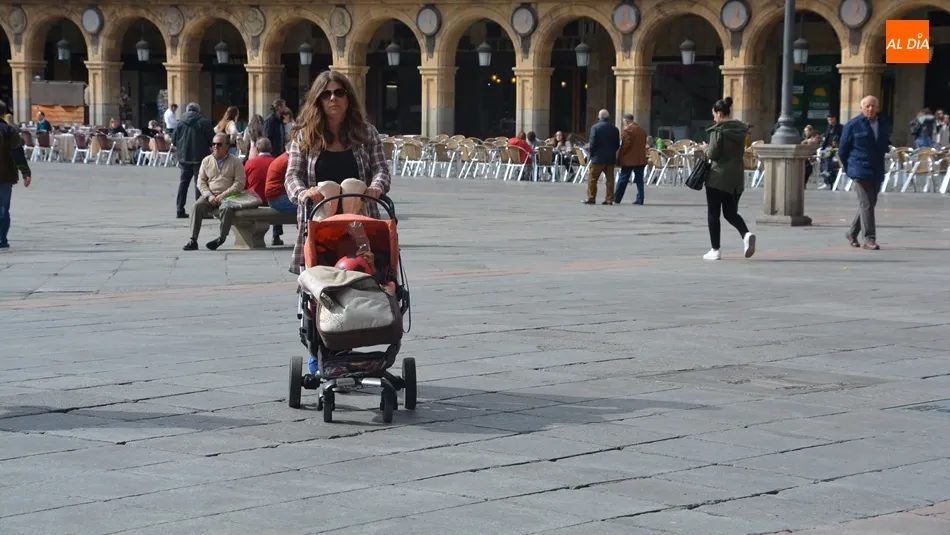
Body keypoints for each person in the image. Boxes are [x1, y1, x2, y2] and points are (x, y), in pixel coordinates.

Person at [283, 70, 392, 378]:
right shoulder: (304, 135)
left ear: (348, 97)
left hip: (358, 221)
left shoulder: (365, 132)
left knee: (353, 184)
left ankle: (361, 340)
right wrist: (303, 192)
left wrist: (377, 187)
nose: (333, 98)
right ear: (317, 99)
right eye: (327, 93)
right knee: (328, 188)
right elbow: (291, 177)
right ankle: (319, 350)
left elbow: (381, 170)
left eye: (339, 92)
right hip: (320, 224)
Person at [702, 96, 755, 261]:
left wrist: (705, 148)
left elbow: (713, 154)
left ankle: (715, 249)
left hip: (718, 177)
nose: (713, 118)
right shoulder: (740, 129)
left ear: (719, 113)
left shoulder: (718, 131)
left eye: (714, 114)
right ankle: (746, 234)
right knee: (730, 212)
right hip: (736, 177)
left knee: (713, 213)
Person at [839, 95, 890, 251]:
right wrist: (850, 169)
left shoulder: (883, 124)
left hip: (877, 168)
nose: (870, 109)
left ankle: (852, 232)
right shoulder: (852, 125)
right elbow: (842, 150)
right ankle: (869, 238)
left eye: (873, 106)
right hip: (860, 168)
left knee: (869, 204)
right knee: (867, 204)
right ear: (861, 108)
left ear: (877, 108)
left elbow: (884, 144)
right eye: (867, 106)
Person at [182, 133, 247, 251]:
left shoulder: (235, 161)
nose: (215, 146)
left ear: (227, 146)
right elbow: (201, 182)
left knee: (227, 209)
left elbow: (239, 183)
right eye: (213, 144)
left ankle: (221, 238)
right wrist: (209, 196)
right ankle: (193, 239)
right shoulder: (206, 160)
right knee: (197, 206)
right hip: (210, 194)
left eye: (219, 144)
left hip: (228, 196)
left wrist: (223, 195)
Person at [172, 102, 215, 218]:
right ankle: (200, 211)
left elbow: (174, 140)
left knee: (183, 183)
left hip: (184, 157)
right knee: (200, 184)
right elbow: (212, 139)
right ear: (198, 110)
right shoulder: (204, 122)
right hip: (200, 156)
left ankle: (179, 209)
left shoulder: (180, 122)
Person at [0, 101, 32, 250]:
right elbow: (17, 152)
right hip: (5, 175)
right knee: (3, 208)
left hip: (5, 175)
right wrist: (25, 172)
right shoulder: (9, 130)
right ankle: (2, 239)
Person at [243, 137, 277, 243]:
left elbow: (244, 185)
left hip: (254, 200)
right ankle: (276, 235)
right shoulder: (277, 162)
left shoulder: (249, 163)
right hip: (272, 200)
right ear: (271, 149)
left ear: (257, 149)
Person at [584, 109, 620, 205]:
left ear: (599, 117)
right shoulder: (614, 129)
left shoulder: (595, 127)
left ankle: (591, 198)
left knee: (592, 178)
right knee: (610, 180)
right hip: (610, 158)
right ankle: (609, 199)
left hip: (598, 158)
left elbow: (592, 143)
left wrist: (591, 155)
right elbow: (617, 144)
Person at [614, 113, 648, 205]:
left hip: (629, 159)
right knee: (639, 181)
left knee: (623, 179)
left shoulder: (628, 131)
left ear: (626, 121)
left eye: (624, 122)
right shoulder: (642, 131)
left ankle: (617, 198)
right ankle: (640, 199)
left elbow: (625, 145)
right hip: (640, 159)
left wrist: (621, 154)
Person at [265, 151, 292, 246]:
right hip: (277, 198)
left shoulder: (283, 158)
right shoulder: (288, 161)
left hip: (274, 196)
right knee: (307, 208)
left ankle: (276, 235)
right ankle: (308, 236)